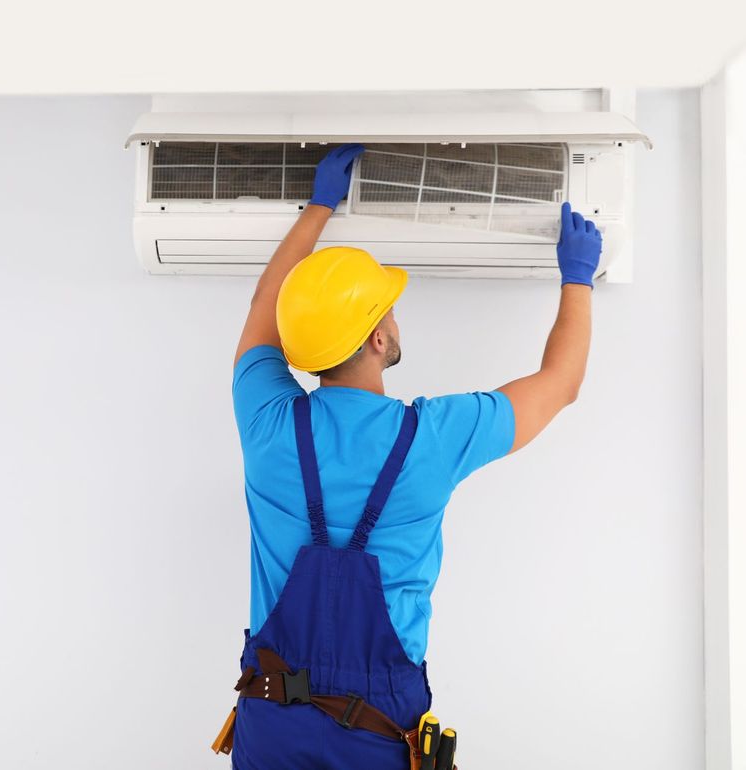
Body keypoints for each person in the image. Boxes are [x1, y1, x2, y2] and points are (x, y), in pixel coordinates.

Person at [228, 144, 601, 769]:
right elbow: (560, 383)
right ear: (379, 338)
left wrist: (318, 207)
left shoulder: (264, 420)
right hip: (376, 734)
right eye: (387, 308)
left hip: (270, 724)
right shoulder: (434, 437)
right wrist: (578, 277)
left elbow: (263, 307)